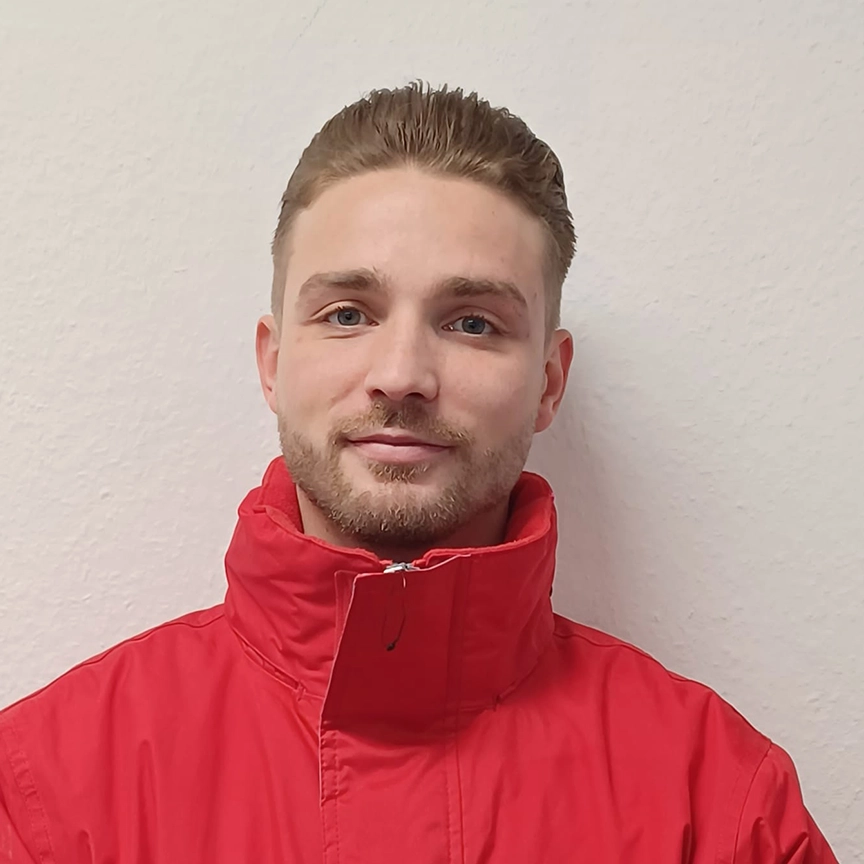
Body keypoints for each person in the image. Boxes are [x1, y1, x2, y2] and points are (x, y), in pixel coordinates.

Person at [0, 82, 836, 863]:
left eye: (472, 322)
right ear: (273, 362)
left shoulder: (721, 809)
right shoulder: (47, 798)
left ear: (549, 382)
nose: (401, 374)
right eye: (347, 314)